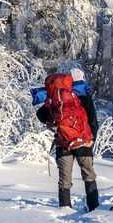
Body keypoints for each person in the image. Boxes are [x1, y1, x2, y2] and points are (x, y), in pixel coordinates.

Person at [36, 69, 99, 212]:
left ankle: (64, 208)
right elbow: (92, 118)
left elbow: (40, 114)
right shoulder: (84, 96)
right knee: (88, 174)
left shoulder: (55, 97)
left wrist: (52, 120)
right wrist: (92, 138)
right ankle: (94, 208)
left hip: (62, 142)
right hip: (83, 141)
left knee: (64, 178)